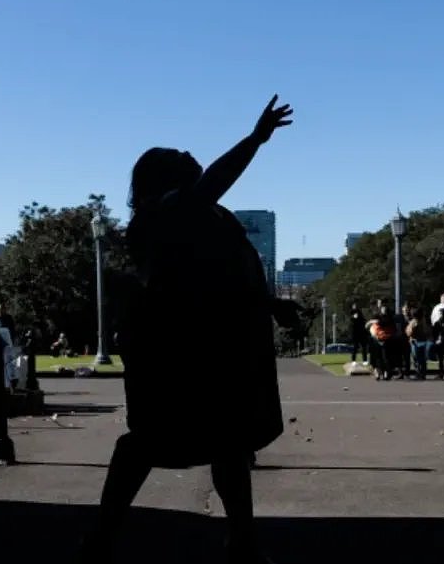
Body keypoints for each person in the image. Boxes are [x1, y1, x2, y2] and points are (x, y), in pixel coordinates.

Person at [78, 95, 293, 564]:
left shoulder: (202, 214)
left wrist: (271, 303)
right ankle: (102, 536)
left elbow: (221, 274)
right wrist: (255, 139)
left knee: (227, 444)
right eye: (181, 158)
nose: (192, 156)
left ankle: (242, 541)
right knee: (151, 441)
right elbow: (211, 188)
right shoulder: (166, 211)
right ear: (167, 178)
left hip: (215, 343)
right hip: (177, 346)